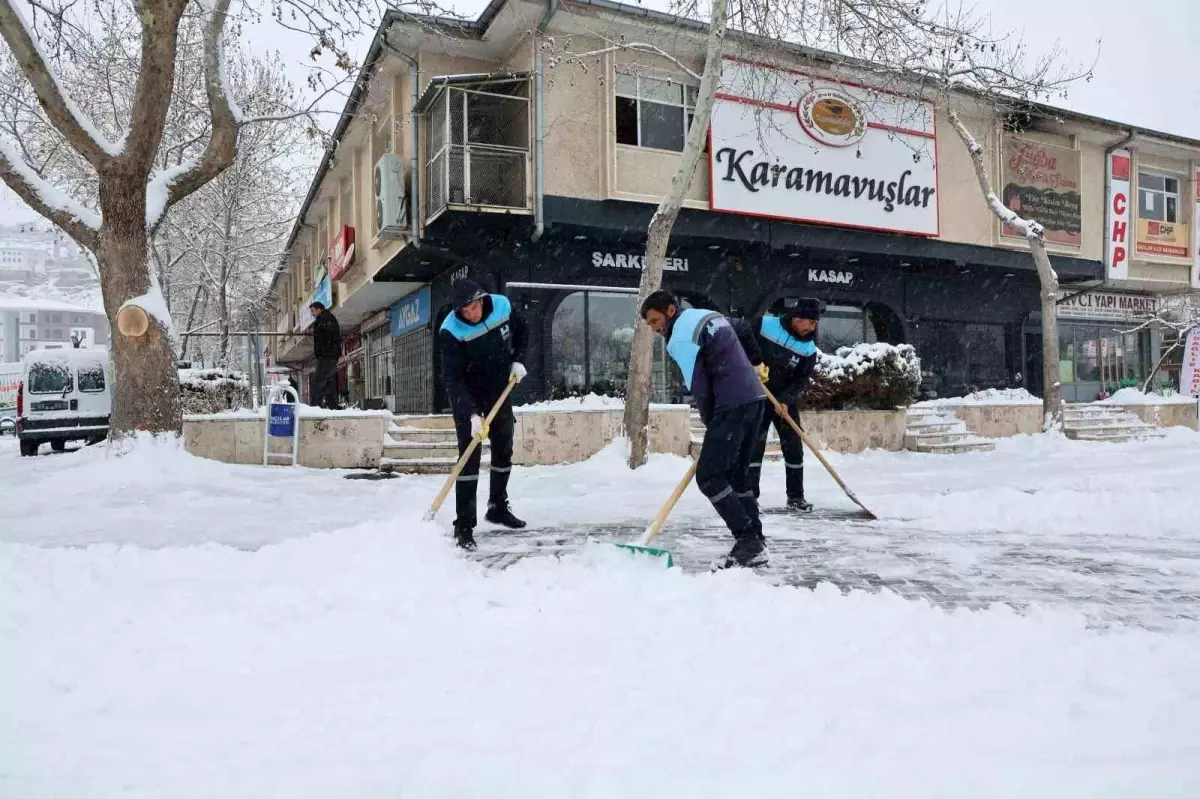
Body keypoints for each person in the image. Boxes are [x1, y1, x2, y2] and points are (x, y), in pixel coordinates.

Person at [640, 290, 769, 569]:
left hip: (731, 403)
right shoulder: (709, 316)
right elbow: (745, 328)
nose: (654, 328)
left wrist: (713, 424)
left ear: (670, 311)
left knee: (709, 477)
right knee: (737, 476)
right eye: (649, 324)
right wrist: (756, 362)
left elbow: (699, 386)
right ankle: (756, 540)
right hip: (755, 400)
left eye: (654, 321)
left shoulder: (679, 338)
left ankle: (748, 540)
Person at [439, 278, 529, 551]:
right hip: (469, 396)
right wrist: (471, 415)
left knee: (504, 449)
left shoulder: (501, 305)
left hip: (500, 391)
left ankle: (497, 507)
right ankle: (464, 525)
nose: (472, 314)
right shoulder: (450, 331)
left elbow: (523, 331)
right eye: (465, 311)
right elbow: (453, 379)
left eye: (474, 307)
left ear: (482, 300)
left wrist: (518, 360)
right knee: (469, 460)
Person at [732, 299, 822, 512]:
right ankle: (750, 495)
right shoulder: (763, 325)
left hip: (783, 401)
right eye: (810, 322)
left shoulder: (809, 349)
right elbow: (739, 343)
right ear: (797, 319)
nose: (813, 328)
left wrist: (785, 400)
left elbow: (801, 379)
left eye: (815, 323)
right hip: (756, 395)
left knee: (794, 448)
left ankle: (796, 497)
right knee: (754, 446)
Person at [309, 301, 341, 409]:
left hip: (326, 356)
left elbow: (326, 338)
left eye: (313, 311)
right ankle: (333, 404)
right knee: (328, 381)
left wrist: (322, 353)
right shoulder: (327, 318)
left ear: (319, 309)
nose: (312, 314)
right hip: (331, 356)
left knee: (317, 381)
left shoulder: (324, 319)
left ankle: (315, 406)